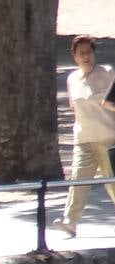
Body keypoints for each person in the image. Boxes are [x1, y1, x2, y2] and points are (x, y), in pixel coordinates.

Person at [55, 35, 115, 238]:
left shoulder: (107, 73)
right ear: (74, 56)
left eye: (89, 52)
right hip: (83, 139)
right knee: (78, 181)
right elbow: (74, 106)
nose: (86, 56)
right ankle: (70, 222)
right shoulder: (72, 79)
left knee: (113, 183)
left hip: (108, 138)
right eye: (81, 53)